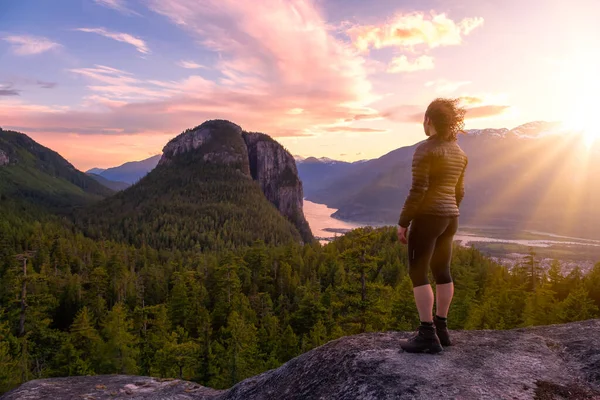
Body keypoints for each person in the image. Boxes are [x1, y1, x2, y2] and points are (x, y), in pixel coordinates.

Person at [397, 98, 468, 354]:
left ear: (428, 120)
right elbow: (459, 191)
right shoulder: (459, 153)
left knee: (418, 273)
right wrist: (450, 210)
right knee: (442, 271)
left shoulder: (425, 150)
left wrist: (404, 222)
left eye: (423, 120)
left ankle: (426, 335)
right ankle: (442, 329)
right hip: (451, 218)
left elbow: (419, 190)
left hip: (428, 217)